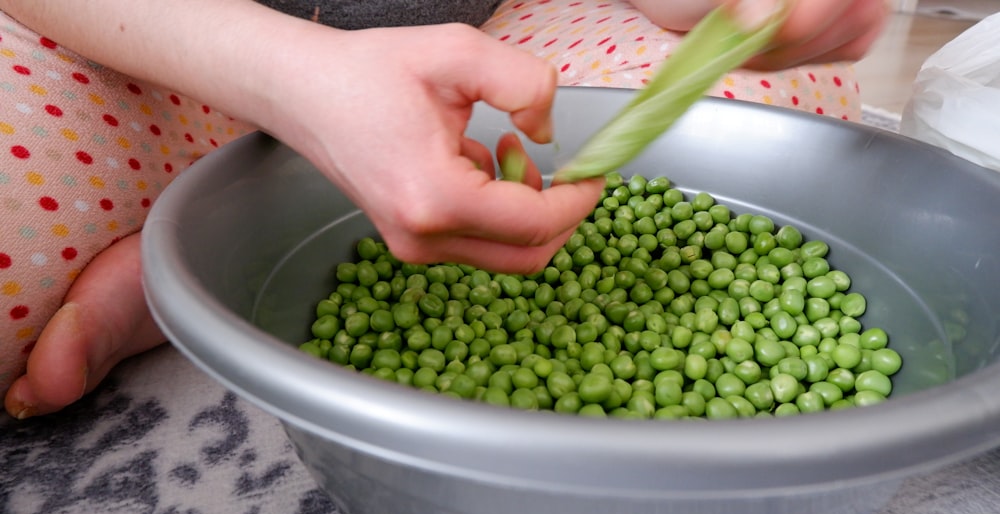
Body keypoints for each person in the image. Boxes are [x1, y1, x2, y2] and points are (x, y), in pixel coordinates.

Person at [0, 0, 889, 419]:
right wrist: (290, 77)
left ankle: (205, 237)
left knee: (759, 108)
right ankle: (196, 243)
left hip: (497, 37)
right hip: (149, 34)